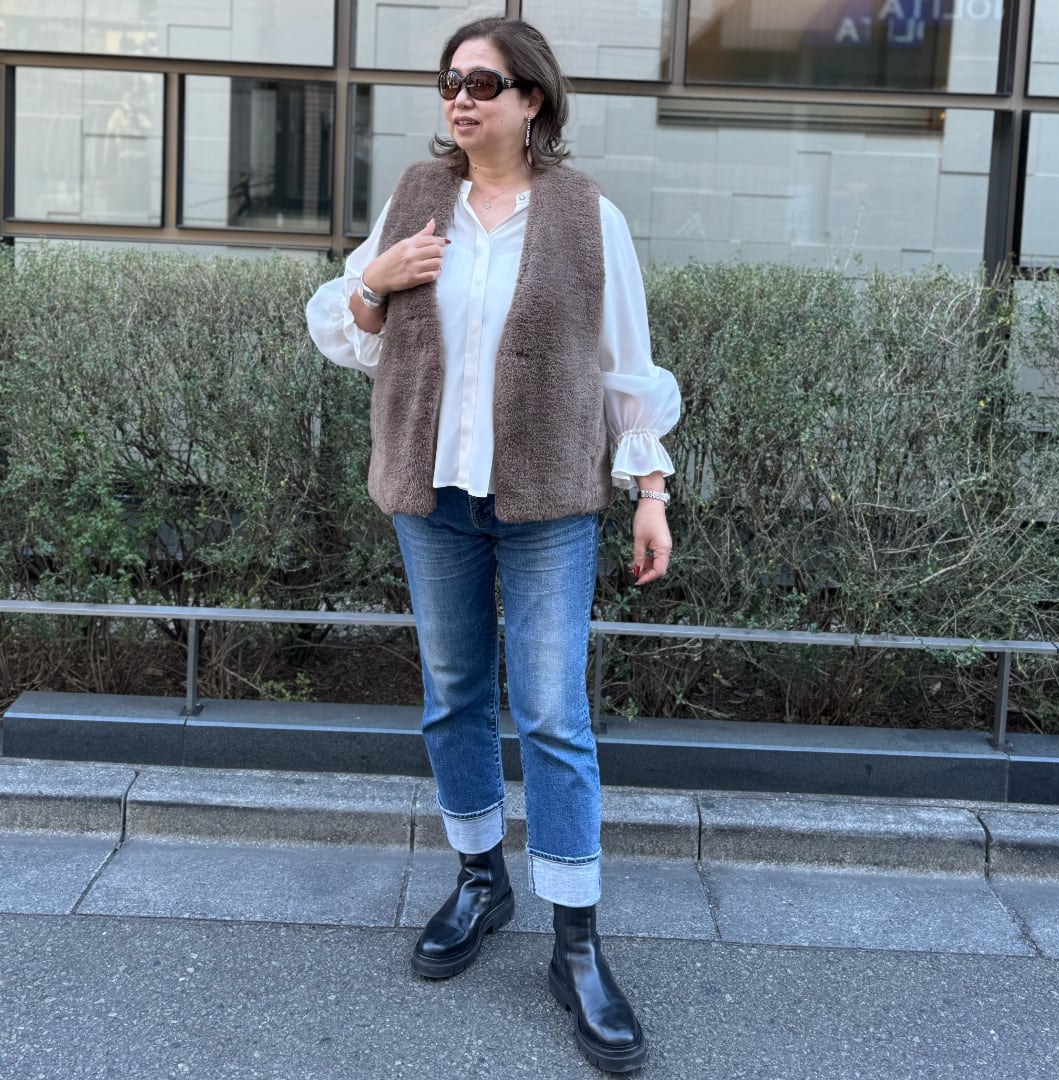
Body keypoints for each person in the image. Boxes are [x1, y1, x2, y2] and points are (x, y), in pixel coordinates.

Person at [306, 16, 680, 1073]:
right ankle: (481, 879)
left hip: (549, 500)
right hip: (431, 497)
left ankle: (576, 942)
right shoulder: (417, 201)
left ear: (532, 101)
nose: (461, 98)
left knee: (555, 712)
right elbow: (341, 332)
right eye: (450, 81)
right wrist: (378, 279)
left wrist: (650, 489)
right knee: (454, 693)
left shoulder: (587, 216)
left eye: (483, 82)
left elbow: (625, 361)